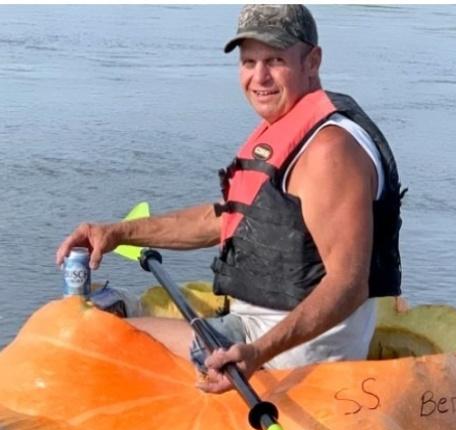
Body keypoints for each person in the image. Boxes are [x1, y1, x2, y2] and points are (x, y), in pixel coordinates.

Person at [54, 4, 403, 394]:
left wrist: (256, 352)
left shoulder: (329, 151)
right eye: (249, 61)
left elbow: (348, 285)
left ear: (312, 61)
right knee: (116, 304)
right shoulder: (293, 127)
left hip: (291, 355)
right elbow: (227, 219)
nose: (259, 77)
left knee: (91, 329)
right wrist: (118, 232)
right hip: (259, 329)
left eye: (274, 60)